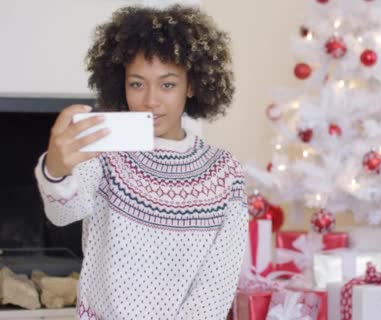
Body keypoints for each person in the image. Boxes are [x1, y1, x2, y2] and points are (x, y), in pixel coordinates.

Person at [33, 4, 247, 319]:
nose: (150, 100)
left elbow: (216, 285)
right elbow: (63, 213)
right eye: (137, 83)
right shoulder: (105, 152)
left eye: (167, 84)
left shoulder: (224, 172)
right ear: (121, 84)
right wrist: (55, 170)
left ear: (192, 85)